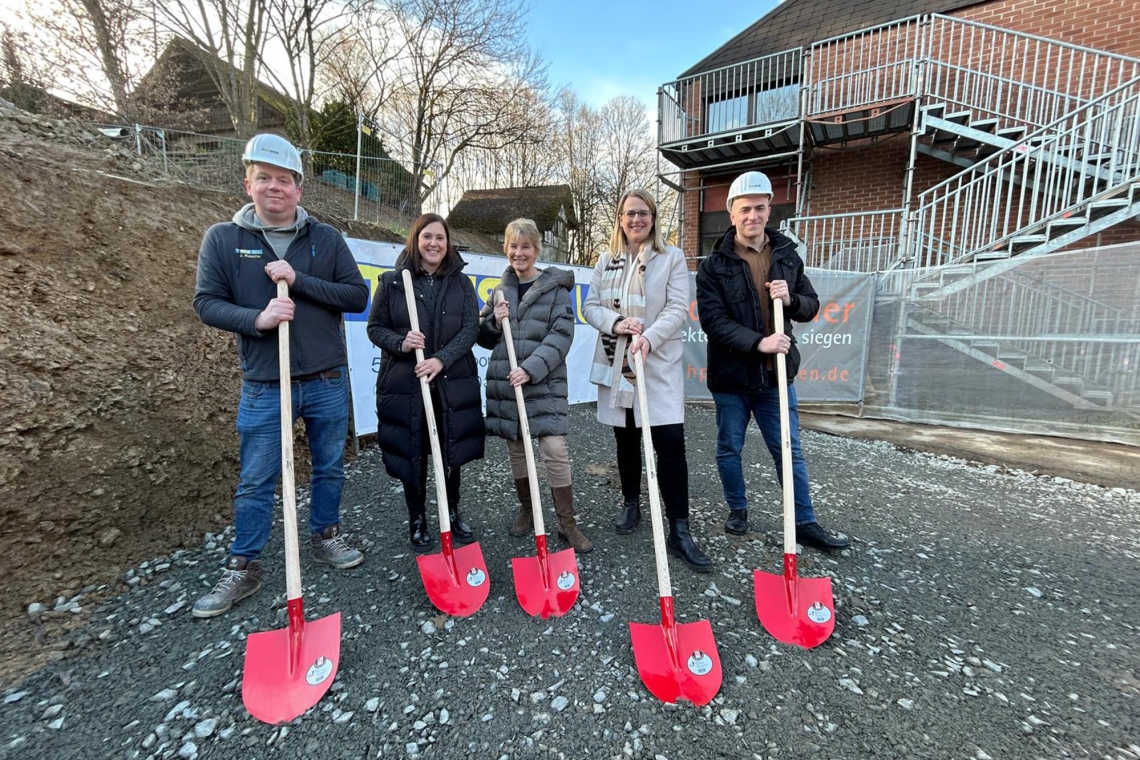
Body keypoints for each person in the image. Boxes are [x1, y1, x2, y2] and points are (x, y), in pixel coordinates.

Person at [191, 133, 369, 619]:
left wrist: (299, 279)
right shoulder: (224, 240)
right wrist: (258, 320)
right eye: (264, 178)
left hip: (327, 379)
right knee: (256, 478)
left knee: (329, 466)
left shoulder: (326, 239)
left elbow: (356, 297)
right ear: (248, 183)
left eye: (284, 180)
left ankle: (325, 536)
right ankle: (244, 564)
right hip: (266, 383)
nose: (275, 187)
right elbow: (206, 303)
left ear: (299, 189)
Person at [695, 170, 849, 550]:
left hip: (775, 378)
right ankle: (737, 509)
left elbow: (810, 306)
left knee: (789, 449)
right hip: (732, 377)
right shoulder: (714, 265)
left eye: (760, 208)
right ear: (732, 214)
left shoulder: (787, 256)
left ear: (769, 210)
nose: (753, 215)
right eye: (745, 209)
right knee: (729, 447)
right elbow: (713, 322)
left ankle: (804, 521)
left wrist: (791, 300)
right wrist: (759, 343)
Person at [583, 189, 712, 572]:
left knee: (671, 442)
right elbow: (590, 306)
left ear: (653, 218)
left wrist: (649, 337)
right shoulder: (606, 261)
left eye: (642, 213)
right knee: (626, 437)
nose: (635, 219)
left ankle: (679, 529)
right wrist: (617, 323)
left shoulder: (671, 257)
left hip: (656, 362)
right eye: (628, 214)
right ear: (620, 219)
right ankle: (630, 502)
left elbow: (677, 308)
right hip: (618, 360)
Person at [367, 213, 485, 552]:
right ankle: (417, 517)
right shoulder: (391, 282)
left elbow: (469, 330)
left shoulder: (461, 284)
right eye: (427, 237)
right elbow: (375, 328)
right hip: (407, 384)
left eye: (441, 238)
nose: (434, 243)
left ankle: (452, 510)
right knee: (413, 453)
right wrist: (402, 342)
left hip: (450, 383)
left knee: (452, 452)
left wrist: (441, 359)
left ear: (448, 244)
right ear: (416, 240)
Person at [477, 219, 592, 553]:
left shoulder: (554, 289)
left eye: (525, 246)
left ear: (536, 249)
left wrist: (530, 368)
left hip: (544, 383)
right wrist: (493, 323)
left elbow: (561, 335)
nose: (519, 252)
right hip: (507, 384)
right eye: (513, 246)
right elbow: (482, 337)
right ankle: (528, 509)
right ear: (506, 249)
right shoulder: (499, 290)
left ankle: (566, 524)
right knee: (517, 451)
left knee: (554, 451)